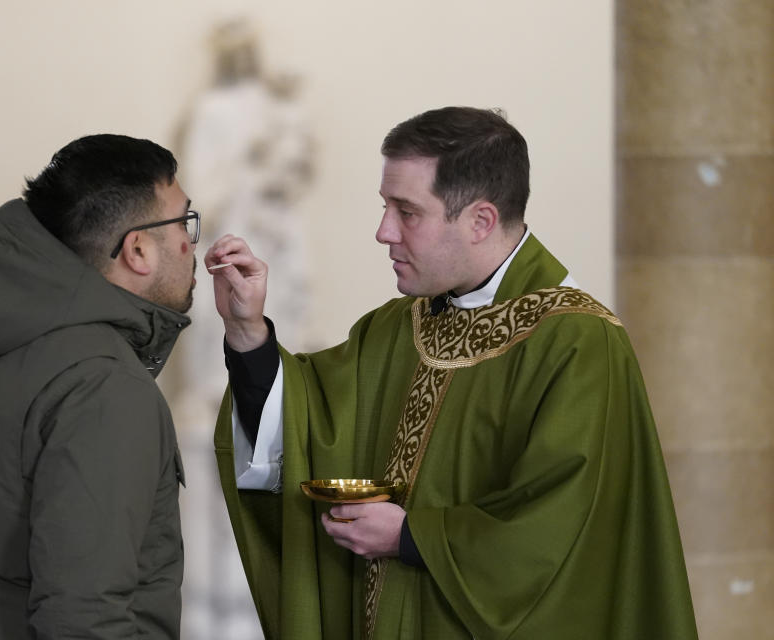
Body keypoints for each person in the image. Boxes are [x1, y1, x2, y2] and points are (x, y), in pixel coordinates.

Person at [204, 107, 698, 639]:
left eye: (407, 212)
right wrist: (249, 333)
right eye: (384, 207)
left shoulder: (578, 343)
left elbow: (568, 529)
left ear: (480, 221)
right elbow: (307, 424)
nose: (382, 231)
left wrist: (412, 537)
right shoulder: (399, 327)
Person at [0, 134, 198, 639]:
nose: (191, 242)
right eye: (184, 222)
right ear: (138, 249)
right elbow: (84, 618)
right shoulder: (103, 386)